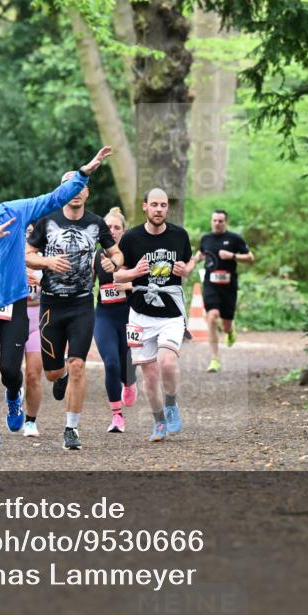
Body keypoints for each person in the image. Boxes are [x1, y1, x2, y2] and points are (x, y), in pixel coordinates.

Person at [0, 146, 112, 455]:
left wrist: (83, 173)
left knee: (10, 371)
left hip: (14, 303)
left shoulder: (16, 211)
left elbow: (53, 199)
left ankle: (14, 395)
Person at [25, 172, 123, 450]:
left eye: (81, 187)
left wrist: (114, 263)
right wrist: (47, 262)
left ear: (87, 192)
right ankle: (61, 376)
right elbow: (27, 254)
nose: (76, 192)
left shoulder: (96, 223)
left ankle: (71, 428)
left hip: (81, 304)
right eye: (70, 187)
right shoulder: (47, 220)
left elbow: (117, 253)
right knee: (53, 373)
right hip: (51, 304)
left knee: (78, 364)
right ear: (61, 191)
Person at [114, 188, 197, 442]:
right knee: (148, 374)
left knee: (167, 362)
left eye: (163, 205)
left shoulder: (179, 235)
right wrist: (134, 273)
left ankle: (171, 404)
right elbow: (117, 276)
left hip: (171, 312)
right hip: (140, 315)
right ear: (145, 206)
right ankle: (159, 421)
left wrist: (186, 270)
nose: (159, 209)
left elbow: (190, 262)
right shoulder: (131, 238)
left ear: (167, 208)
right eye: (154, 204)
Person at [92, 207, 138, 433]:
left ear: (123, 231)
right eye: (108, 227)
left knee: (127, 363)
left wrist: (129, 285)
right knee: (111, 363)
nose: (112, 230)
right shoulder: (96, 255)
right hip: (104, 315)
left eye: (116, 227)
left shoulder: (133, 253)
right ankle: (117, 416)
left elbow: (148, 283)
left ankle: (129, 383)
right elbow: (86, 285)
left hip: (130, 314)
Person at [195, 209, 254, 372]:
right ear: (211, 221)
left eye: (220, 221)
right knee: (212, 317)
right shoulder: (206, 238)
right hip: (210, 284)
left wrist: (233, 256)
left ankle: (230, 331)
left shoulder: (234, 239)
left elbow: (250, 258)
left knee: (226, 325)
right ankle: (214, 359)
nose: (217, 223)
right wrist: (194, 259)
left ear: (225, 222)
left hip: (229, 286)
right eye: (214, 220)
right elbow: (201, 253)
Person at [22, 226, 44, 438]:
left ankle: (30, 421)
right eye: (24, 231)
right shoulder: (9, 257)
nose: (27, 235)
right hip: (13, 320)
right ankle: (14, 393)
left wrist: (41, 282)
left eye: (31, 231)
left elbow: (57, 287)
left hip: (37, 322)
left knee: (33, 375)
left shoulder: (45, 258)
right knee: (9, 372)